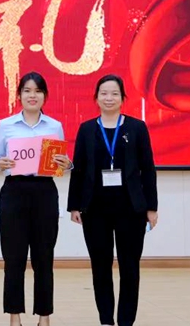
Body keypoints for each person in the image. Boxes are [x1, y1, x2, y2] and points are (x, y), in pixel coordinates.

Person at [67, 74, 158, 326]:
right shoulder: (87, 129)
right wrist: (74, 205)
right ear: (96, 97)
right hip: (95, 209)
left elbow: (148, 170)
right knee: (100, 267)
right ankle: (106, 320)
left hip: (131, 209)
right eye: (104, 93)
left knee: (130, 267)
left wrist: (151, 207)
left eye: (114, 93)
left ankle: (126, 321)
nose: (109, 98)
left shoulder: (137, 128)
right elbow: (79, 169)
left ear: (123, 98)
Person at [0, 71, 72, 326]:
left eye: (37, 91)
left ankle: (44, 316)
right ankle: (14, 317)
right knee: (13, 258)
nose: (32, 95)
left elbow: (61, 163)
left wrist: (67, 164)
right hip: (14, 192)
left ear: (45, 96)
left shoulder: (54, 126)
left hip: (44, 192)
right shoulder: (6, 125)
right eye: (27, 91)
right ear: (19, 95)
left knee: (44, 258)